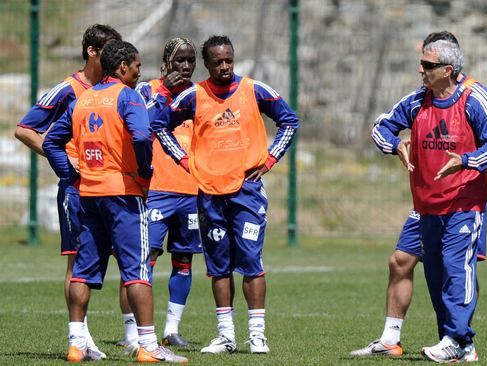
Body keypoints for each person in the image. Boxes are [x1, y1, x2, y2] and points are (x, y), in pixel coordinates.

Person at [351, 31, 487, 361]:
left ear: (447, 69)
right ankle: (454, 343)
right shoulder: (418, 100)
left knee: (457, 268)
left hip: (464, 203)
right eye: (421, 63)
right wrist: (394, 144)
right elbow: (380, 126)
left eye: (427, 65)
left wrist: (469, 161)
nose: (421, 70)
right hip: (427, 206)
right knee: (434, 274)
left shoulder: (473, 98)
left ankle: (459, 338)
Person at [151, 35, 300, 354]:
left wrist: (271, 158)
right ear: (207, 65)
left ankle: (257, 335)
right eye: (217, 62)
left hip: (247, 192)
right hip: (210, 194)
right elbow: (158, 125)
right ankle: (226, 335)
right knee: (218, 266)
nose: (224, 66)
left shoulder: (254, 90)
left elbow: (289, 121)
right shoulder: (194, 95)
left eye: (228, 60)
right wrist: (183, 158)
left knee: (251, 263)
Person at [43, 39, 188, 364]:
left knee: (82, 270)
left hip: (88, 195)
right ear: (122, 67)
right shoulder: (128, 97)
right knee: (137, 270)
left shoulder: (83, 100)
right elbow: (140, 135)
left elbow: (52, 141)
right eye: (136, 66)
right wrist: (145, 173)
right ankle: (148, 347)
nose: (139, 72)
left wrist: (72, 173)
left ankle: (77, 343)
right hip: (123, 196)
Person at [14, 24, 122, 359]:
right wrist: (66, 159)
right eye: (108, 50)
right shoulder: (67, 88)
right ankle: (80, 339)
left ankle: (137, 338)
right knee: (77, 264)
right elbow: (25, 129)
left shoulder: (114, 89)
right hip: (77, 190)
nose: (114, 58)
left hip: (113, 188)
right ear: (91, 51)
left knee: (131, 260)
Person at [131, 37, 201, 348]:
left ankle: (171, 330)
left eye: (191, 61)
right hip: (156, 191)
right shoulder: (146, 90)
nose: (185, 67)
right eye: (180, 61)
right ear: (165, 64)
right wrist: (163, 94)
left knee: (184, 259)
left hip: (192, 192)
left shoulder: (200, 96)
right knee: (147, 257)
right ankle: (135, 333)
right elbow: (140, 127)